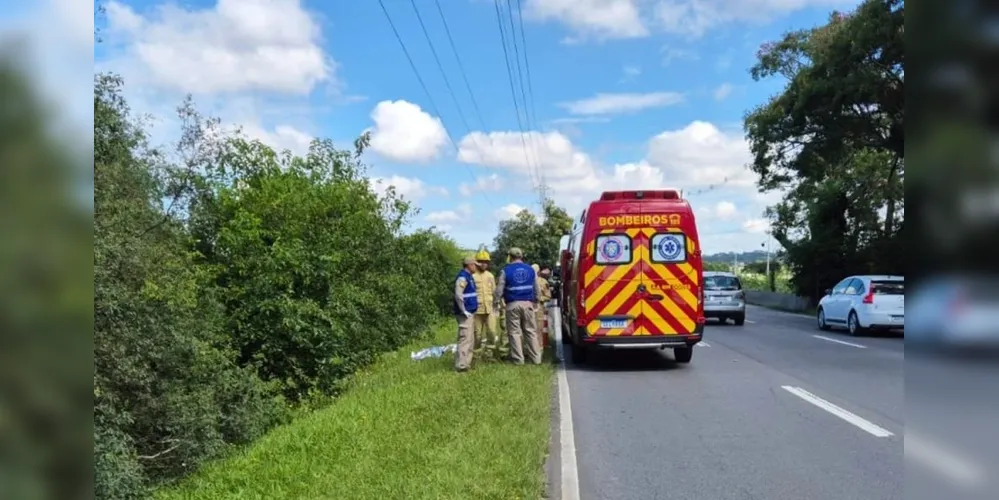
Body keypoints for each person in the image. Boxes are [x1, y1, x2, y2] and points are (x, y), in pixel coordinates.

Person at [494, 248, 542, 365]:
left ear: (510, 257)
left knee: (514, 333)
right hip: (528, 304)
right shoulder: (531, 270)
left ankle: (518, 360)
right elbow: (537, 288)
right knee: (530, 331)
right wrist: (537, 301)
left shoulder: (505, 270)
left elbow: (499, 289)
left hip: (512, 305)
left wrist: (495, 302)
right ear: (521, 256)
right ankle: (536, 359)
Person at [453, 256, 479, 372]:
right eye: (474, 265)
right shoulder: (463, 277)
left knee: (470, 339)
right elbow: (458, 295)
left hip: (470, 312)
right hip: (465, 314)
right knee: (465, 339)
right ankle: (461, 366)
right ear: (469, 265)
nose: (476, 267)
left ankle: (466, 363)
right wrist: (463, 310)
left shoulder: (469, 277)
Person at [472, 248, 501, 353]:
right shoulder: (472, 276)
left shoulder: (490, 276)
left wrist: (498, 306)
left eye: (486, 262)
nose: (483, 264)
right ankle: (476, 355)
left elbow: (494, 292)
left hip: (490, 309)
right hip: (476, 310)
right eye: (481, 262)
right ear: (477, 262)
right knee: (477, 335)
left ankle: (490, 355)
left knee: (492, 332)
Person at [536, 265, 552, 342]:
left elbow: (548, 297)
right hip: (527, 308)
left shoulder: (543, 282)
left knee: (538, 329)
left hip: (538, 307)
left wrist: (540, 298)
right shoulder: (526, 281)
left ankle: (538, 350)